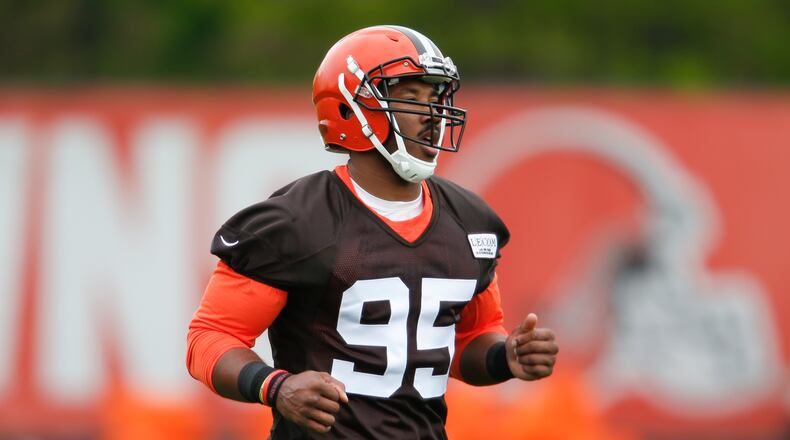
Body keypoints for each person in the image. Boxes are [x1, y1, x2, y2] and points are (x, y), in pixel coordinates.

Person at [186, 25, 558, 439]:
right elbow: (210, 337)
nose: (432, 114)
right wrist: (275, 386)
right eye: (410, 96)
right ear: (351, 111)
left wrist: (505, 358)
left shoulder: (469, 221)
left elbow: (468, 339)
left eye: (435, 97)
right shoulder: (299, 221)